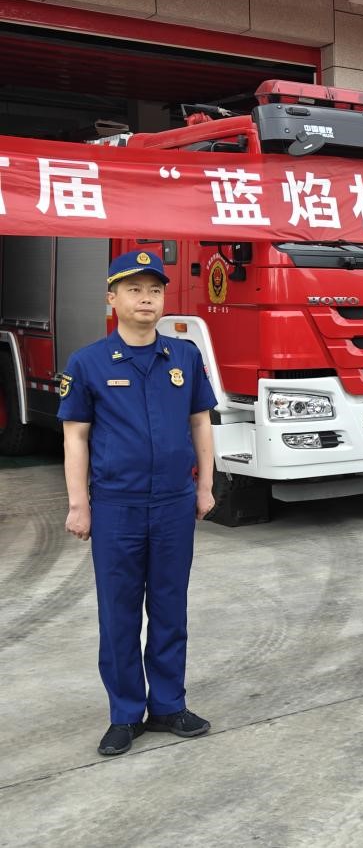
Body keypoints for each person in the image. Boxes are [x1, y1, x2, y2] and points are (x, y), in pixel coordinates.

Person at [58, 250, 218, 757]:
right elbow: (76, 437)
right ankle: (125, 713)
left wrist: (206, 485)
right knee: (119, 612)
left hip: (173, 503)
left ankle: (169, 704)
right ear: (112, 298)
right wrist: (78, 504)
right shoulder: (88, 363)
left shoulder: (184, 357)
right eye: (133, 289)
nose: (145, 299)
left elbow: (200, 425)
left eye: (153, 290)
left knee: (170, 608)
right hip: (116, 508)